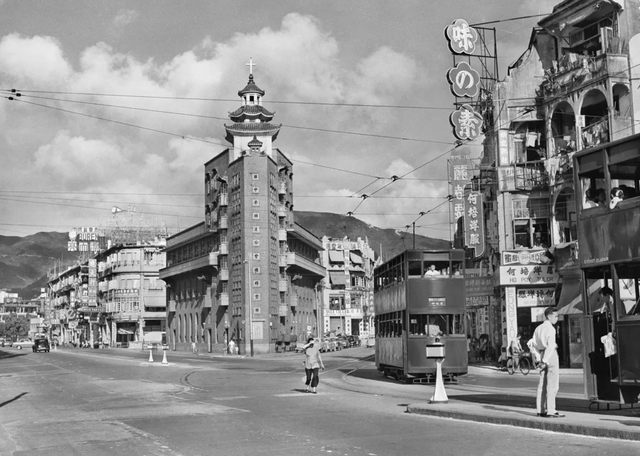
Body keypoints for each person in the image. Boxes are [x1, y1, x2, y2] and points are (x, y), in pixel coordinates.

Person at [531, 307, 565, 418]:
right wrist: (546, 360)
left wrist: (539, 359)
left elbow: (533, 345)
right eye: (556, 316)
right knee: (552, 384)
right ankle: (551, 410)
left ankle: (540, 409)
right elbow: (550, 346)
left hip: (540, 354)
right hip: (550, 356)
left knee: (542, 383)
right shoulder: (551, 329)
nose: (557, 318)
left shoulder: (538, 328)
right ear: (549, 316)